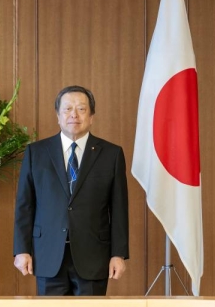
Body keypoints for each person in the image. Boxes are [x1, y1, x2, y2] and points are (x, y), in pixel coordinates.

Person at [13, 85, 129, 296]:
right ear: (58, 115)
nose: (73, 115)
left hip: (94, 255)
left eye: (81, 109)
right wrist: (22, 250)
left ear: (92, 116)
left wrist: (118, 254)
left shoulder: (111, 154)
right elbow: (25, 205)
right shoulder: (36, 153)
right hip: (48, 253)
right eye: (67, 109)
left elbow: (119, 208)